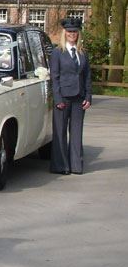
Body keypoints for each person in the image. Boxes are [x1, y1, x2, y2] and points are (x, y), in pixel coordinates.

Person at [50, 17, 92, 175]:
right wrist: (58, 98)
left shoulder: (83, 53)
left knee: (76, 133)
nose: (72, 34)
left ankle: (76, 165)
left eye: (74, 32)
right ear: (64, 33)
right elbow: (54, 77)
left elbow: (87, 76)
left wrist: (88, 96)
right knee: (60, 133)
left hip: (79, 98)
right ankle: (61, 166)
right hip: (63, 98)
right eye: (69, 31)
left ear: (78, 33)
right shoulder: (57, 52)